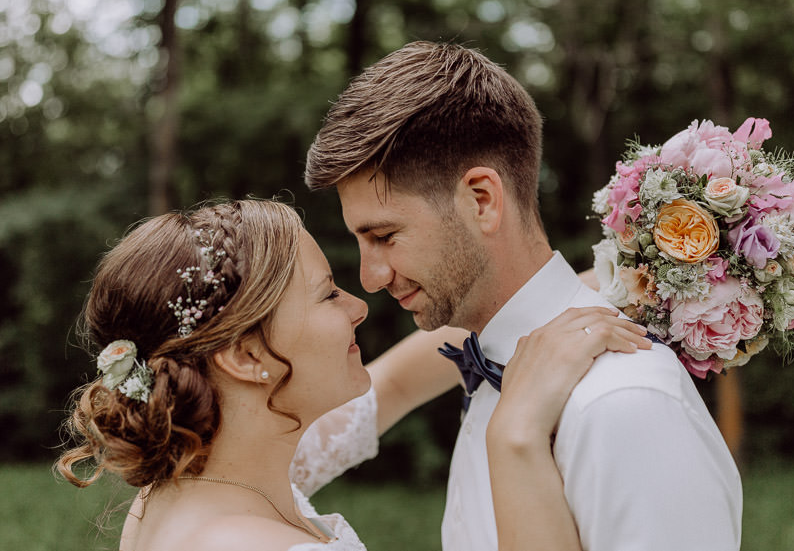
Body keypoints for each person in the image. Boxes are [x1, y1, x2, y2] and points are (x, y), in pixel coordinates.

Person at [304, 41, 744, 551]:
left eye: (384, 236)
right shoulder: (493, 367)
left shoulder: (622, 402)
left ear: (481, 200)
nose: (370, 278)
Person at [55, 199, 652, 551]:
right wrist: (515, 434)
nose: (359, 305)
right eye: (327, 295)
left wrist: (597, 285)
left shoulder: (203, 476)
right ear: (245, 358)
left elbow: (394, 383)